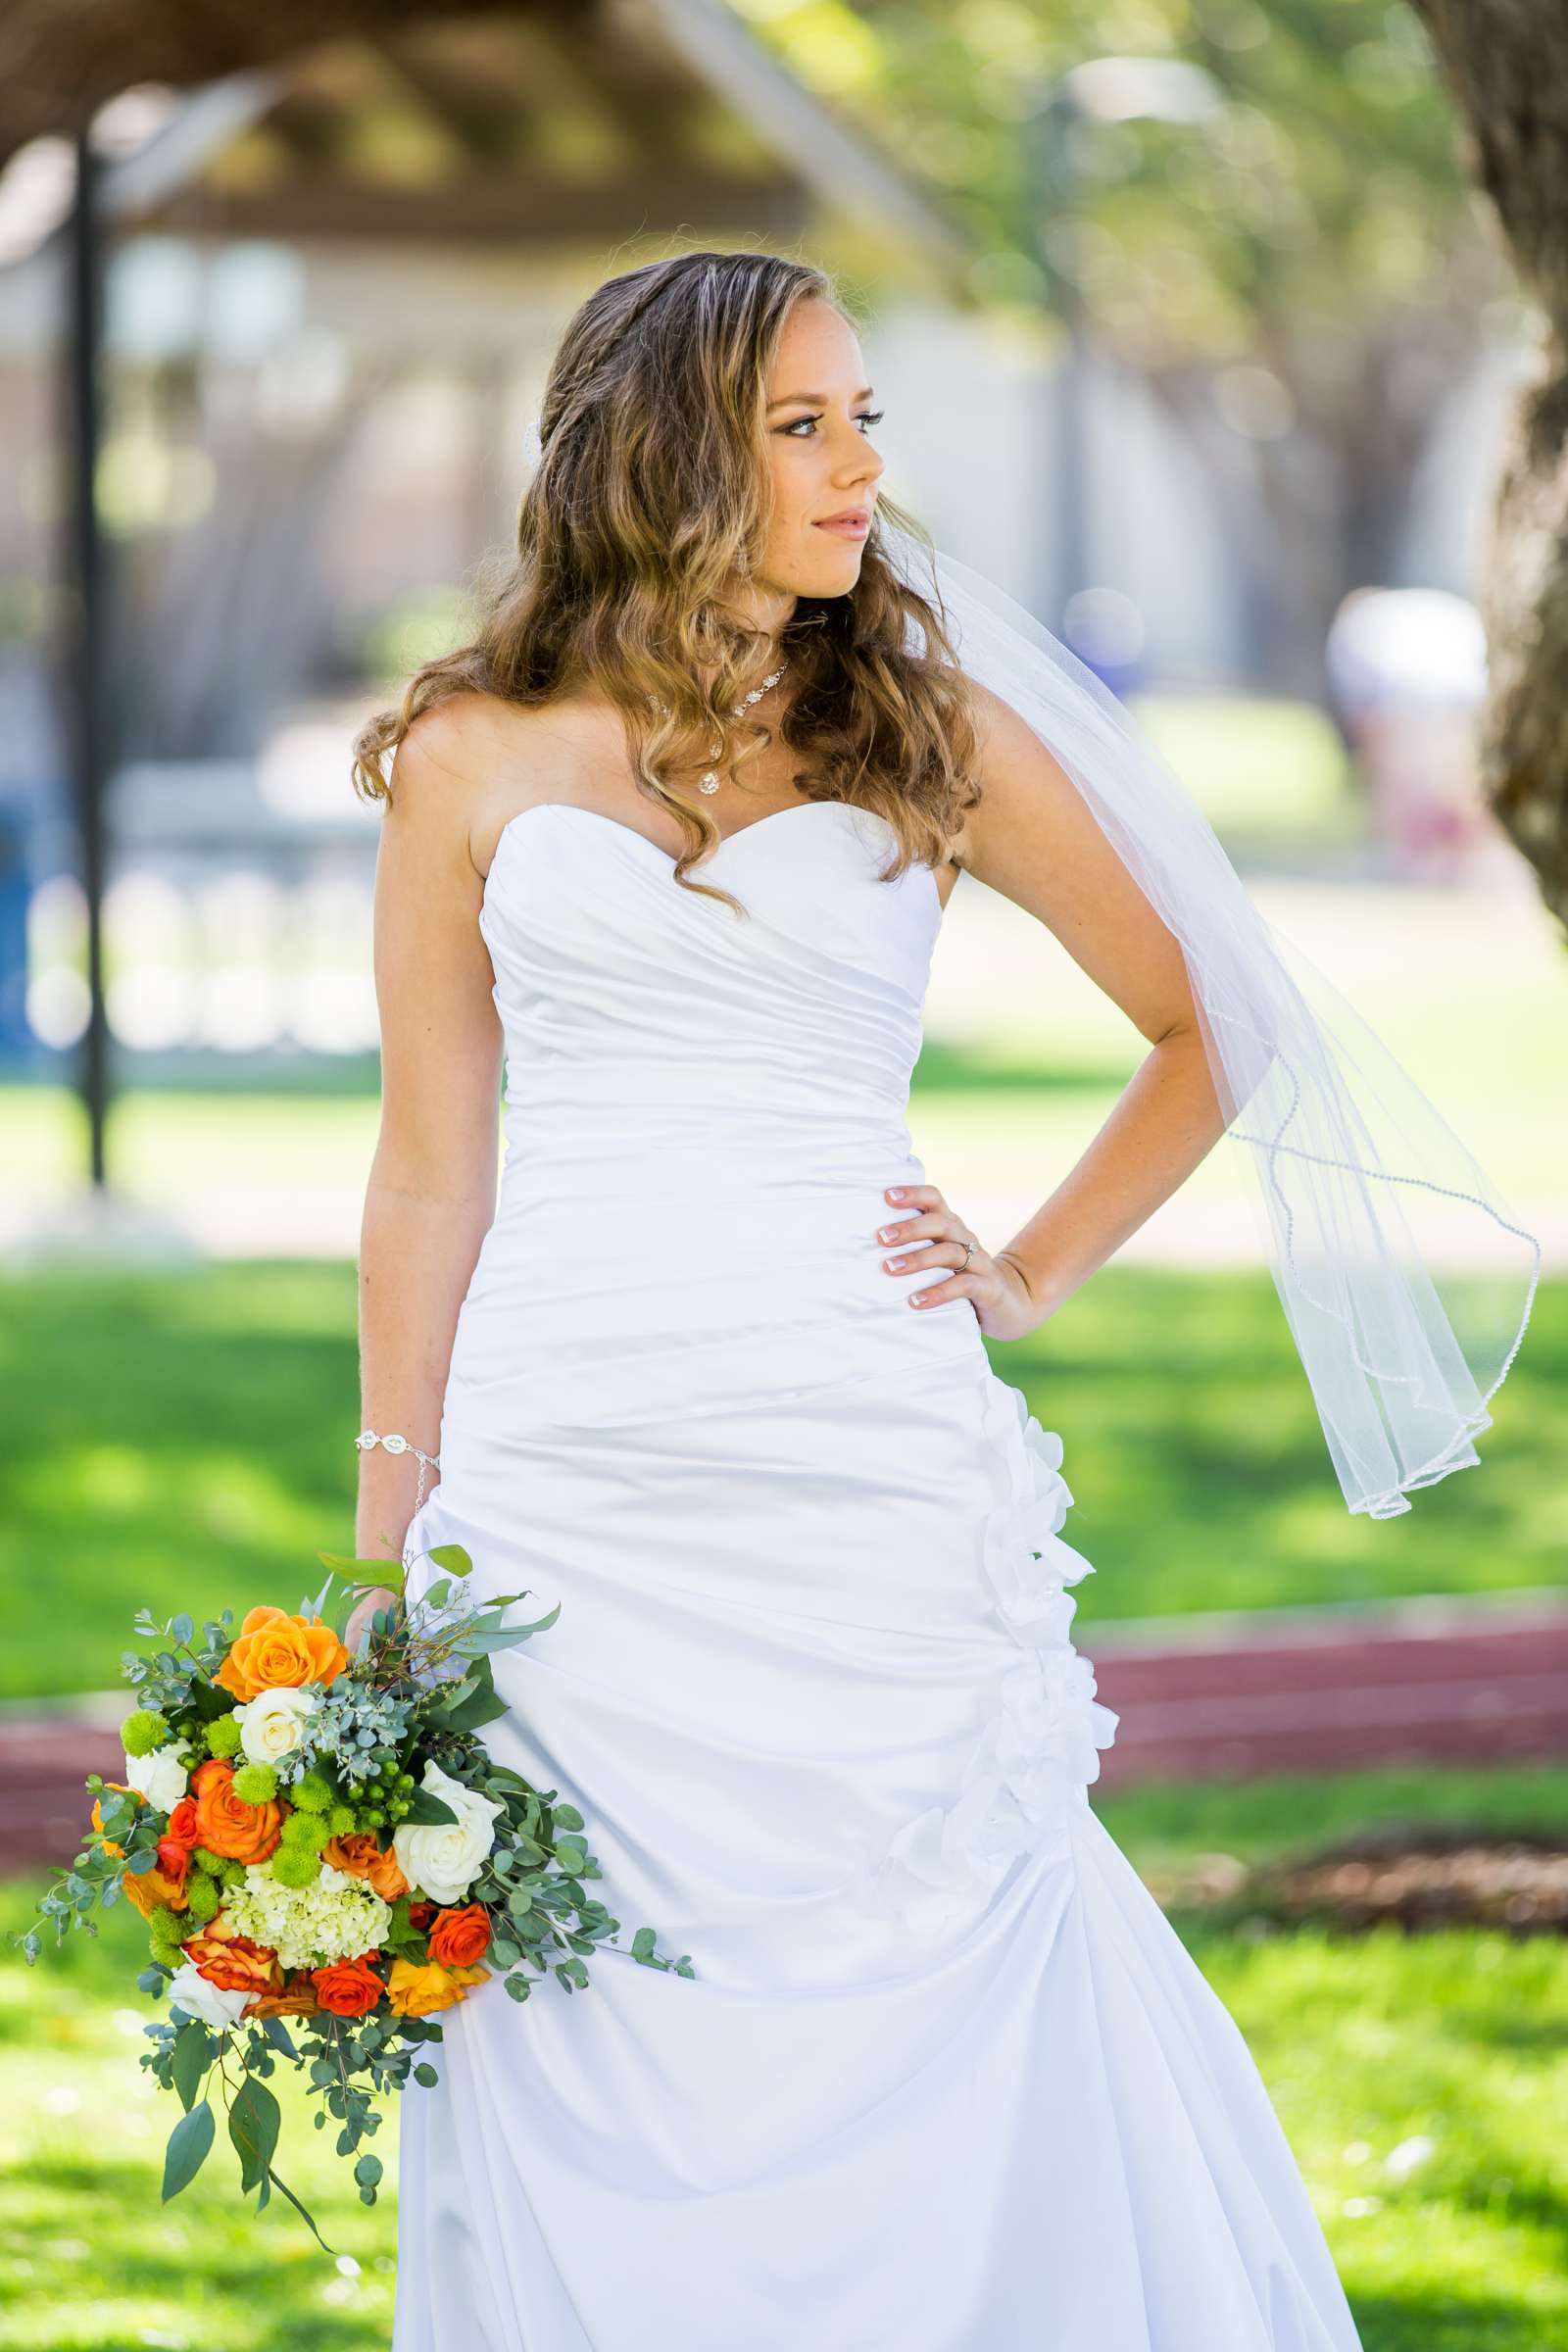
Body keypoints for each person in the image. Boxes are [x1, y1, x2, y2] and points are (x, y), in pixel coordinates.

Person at [347, 251, 1533, 2350]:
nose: (857, 467)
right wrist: (388, 1530)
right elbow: (432, 1163)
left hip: (854, 1435)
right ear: (662, 455)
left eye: (863, 418)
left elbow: (1210, 1018)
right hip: (562, 1467)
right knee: (575, 1967)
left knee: (930, 1925)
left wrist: (1029, 1264)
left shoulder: (918, 723)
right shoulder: (466, 751)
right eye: (799, 426)